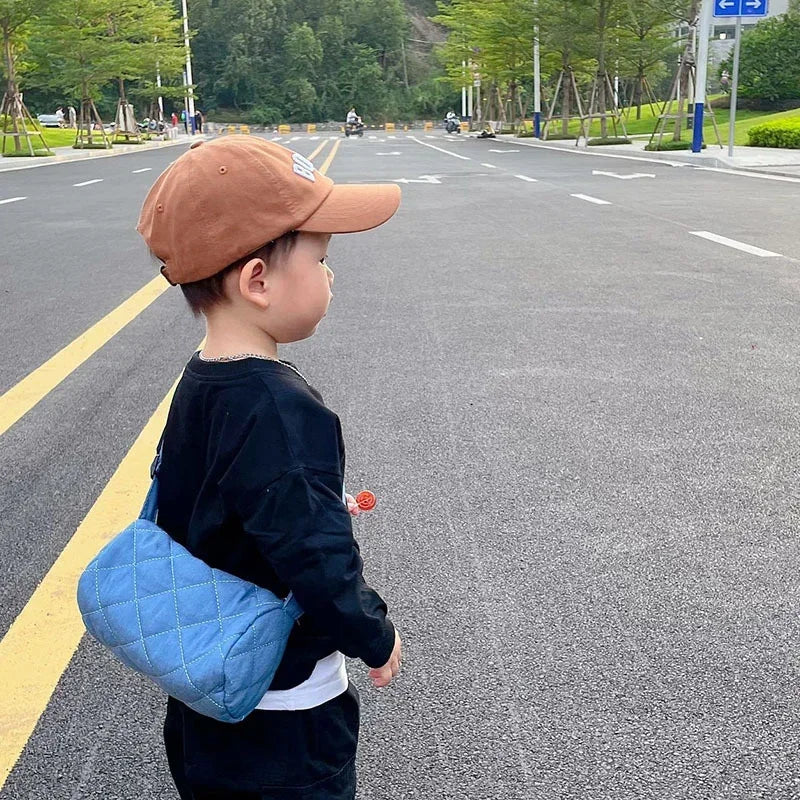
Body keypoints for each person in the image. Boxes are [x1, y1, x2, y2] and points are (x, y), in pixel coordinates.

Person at [136, 136, 403, 800]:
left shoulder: (202, 383)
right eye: (321, 257)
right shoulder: (281, 412)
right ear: (257, 280)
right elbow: (316, 554)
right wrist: (373, 632)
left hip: (204, 703)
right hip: (285, 721)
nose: (331, 274)